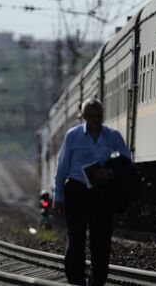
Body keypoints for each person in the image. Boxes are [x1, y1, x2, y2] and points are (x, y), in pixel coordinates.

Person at [53, 98, 132, 286]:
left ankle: (97, 281)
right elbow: (62, 167)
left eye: (98, 116)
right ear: (83, 117)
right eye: (91, 116)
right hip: (76, 190)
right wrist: (58, 197)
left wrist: (110, 173)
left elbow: (127, 163)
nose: (95, 120)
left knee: (101, 241)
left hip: (101, 192)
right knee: (76, 239)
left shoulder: (113, 136)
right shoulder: (72, 136)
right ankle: (76, 281)